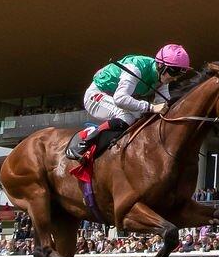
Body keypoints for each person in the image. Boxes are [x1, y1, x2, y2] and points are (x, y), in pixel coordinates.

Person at [65, 44, 191, 180]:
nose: (176, 77)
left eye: (180, 73)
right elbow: (120, 99)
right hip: (97, 95)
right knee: (127, 116)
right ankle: (86, 138)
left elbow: (163, 104)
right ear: (161, 65)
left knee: (141, 118)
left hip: (115, 98)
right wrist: (151, 107)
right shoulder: (136, 67)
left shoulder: (162, 78)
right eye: (174, 71)